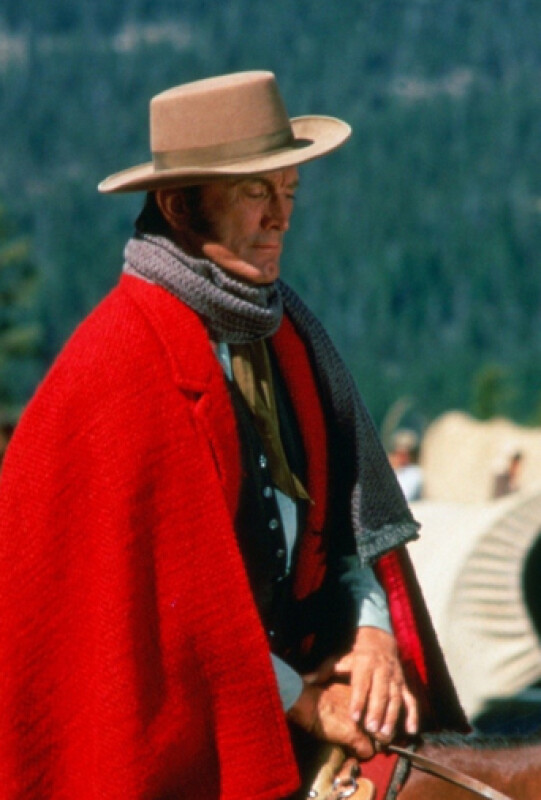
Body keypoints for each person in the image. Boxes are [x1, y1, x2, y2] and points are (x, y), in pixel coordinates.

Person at [0, 71, 466, 799]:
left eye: (289, 192)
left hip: (305, 684)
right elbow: (169, 628)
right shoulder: (117, 367)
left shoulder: (288, 336)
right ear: (179, 205)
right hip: (180, 746)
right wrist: (302, 700)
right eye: (255, 192)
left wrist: (372, 630)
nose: (280, 217)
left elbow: (342, 527)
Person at [388, 428, 424, 501]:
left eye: (403, 454)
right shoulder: (396, 470)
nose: (399, 457)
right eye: (398, 453)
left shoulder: (415, 473)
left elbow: (405, 496)